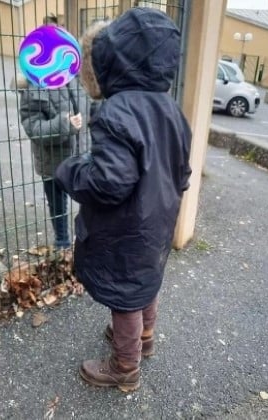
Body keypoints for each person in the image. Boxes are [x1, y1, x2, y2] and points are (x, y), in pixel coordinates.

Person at [54, 8, 192, 392]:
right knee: (145, 281)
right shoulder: (171, 109)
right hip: (159, 216)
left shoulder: (117, 110)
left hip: (126, 225)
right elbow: (182, 168)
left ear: (114, 59)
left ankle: (124, 367)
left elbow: (110, 182)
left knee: (125, 295)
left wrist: (70, 171)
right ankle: (143, 338)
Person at [18, 73, 86, 250]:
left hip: (81, 154)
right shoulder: (33, 87)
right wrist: (65, 123)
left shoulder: (75, 77)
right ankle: (62, 242)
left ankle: (86, 240)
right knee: (57, 204)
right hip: (52, 160)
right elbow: (34, 128)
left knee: (88, 197)